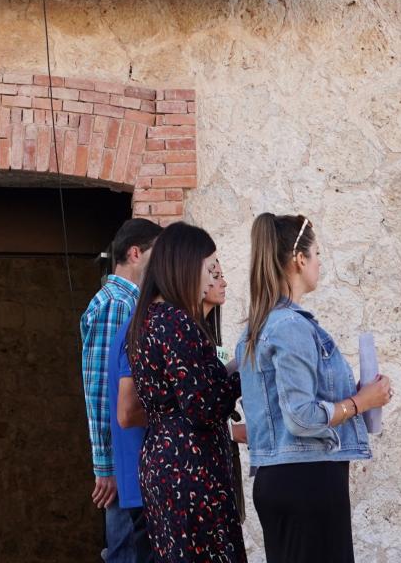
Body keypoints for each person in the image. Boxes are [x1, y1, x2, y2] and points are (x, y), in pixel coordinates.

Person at [234, 214, 389, 563]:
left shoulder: (258, 327)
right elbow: (301, 417)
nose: (320, 262)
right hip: (308, 480)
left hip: (283, 479)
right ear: (299, 259)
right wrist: (361, 401)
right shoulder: (290, 325)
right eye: (317, 253)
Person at [125, 222, 246, 562]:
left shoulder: (148, 319)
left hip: (163, 460)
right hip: (190, 468)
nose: (215, 277)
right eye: (210, 268)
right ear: (186, 266)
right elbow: (204, 405)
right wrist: (246, 374)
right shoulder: (177, 321)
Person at [80, 218, 161, 562]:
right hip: (122, 463)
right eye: (156, 255)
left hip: (131, 458)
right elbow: (100, 390)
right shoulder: (117, 304)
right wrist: (106, 467)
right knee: (126, 553)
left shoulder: (130, 303)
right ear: (134, 254)